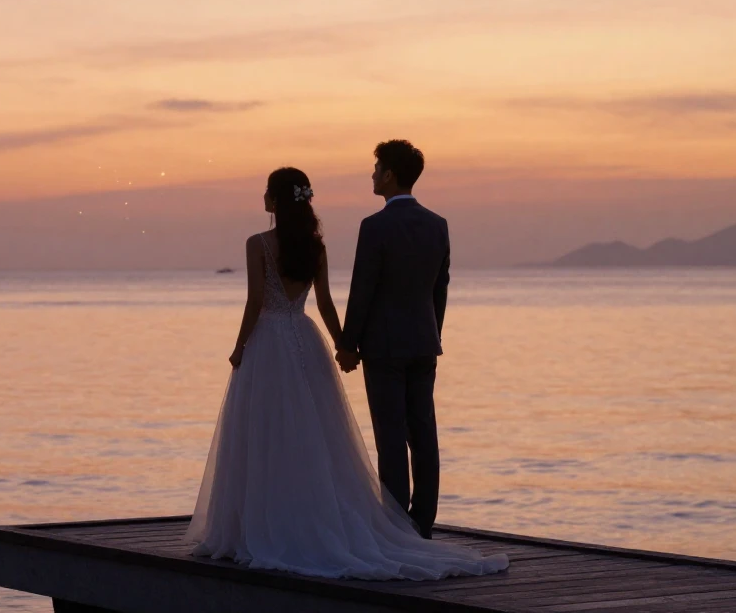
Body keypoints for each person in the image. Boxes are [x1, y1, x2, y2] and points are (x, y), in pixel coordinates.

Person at [187, 165, 506, 580]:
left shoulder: (258, 244)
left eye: (268, 193)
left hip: (267, 342)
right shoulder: (315, 247)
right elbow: (324, 305)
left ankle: (260, 524)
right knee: (311, 434)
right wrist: (341, 344)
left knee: (265, 433)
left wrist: (238, 348)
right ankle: (320, 517)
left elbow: (254, 303)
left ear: (278, 201)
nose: (263, 199)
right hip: (305, 338)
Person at [336, 140, 448, 540]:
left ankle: (397, 524)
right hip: (423, 341)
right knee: (423, 431)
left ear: (390, 174)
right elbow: (440, 288)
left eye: (377, 167)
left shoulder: (375, 226)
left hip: (384, 346)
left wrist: (348, 344)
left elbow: (363, 288)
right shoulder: (438, 224)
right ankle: (424, 521)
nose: (372, 174)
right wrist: (433, 330)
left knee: (390, 434)